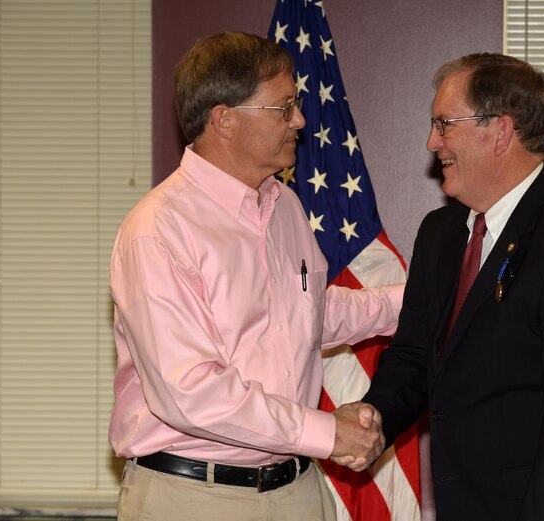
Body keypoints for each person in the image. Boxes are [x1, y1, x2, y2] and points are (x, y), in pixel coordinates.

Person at [108, 32, 400, 521]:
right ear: (224, 119)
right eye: (283, 108)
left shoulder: (283, 205)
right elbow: (192, 392)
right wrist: (329, 433)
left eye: (297, 104)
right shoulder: (157, 229)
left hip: (298, 490)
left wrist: (420, 299)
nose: (301, 121)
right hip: (195, 498)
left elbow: (307, 314)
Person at [360, 53, 544, 521]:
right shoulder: (440, 233)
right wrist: (372, 419)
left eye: (444, 124)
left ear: (501, 132)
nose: (432, 141)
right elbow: (413, 357)